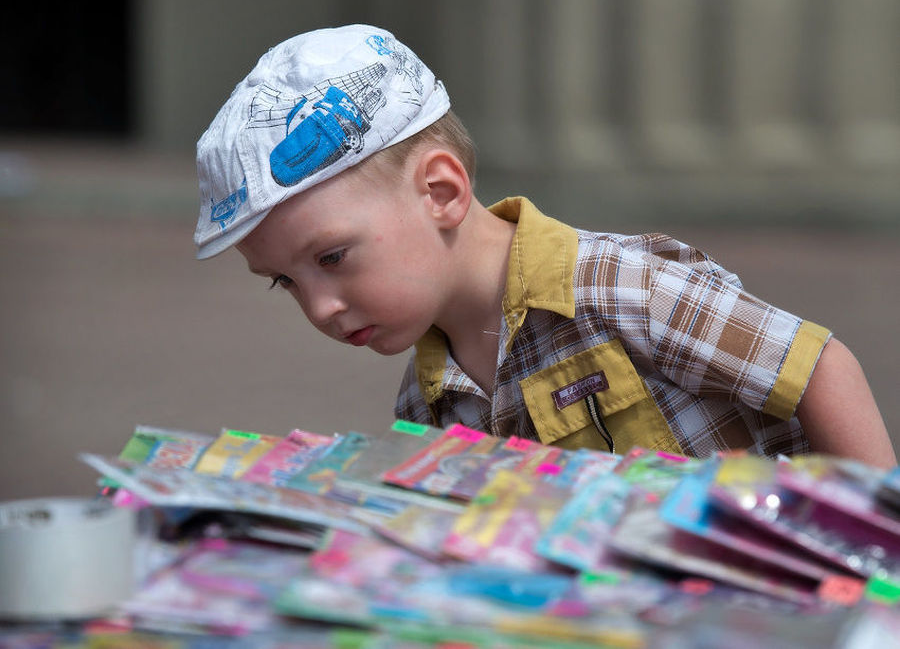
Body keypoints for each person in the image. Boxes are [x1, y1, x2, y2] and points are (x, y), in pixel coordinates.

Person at [194, 24, 897, 468]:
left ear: (440, 192)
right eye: (285, 282)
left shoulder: (624, 289)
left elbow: (821, 370)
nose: (319, 308)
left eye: (331, 259)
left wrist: (879, 563)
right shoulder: (426, 400)